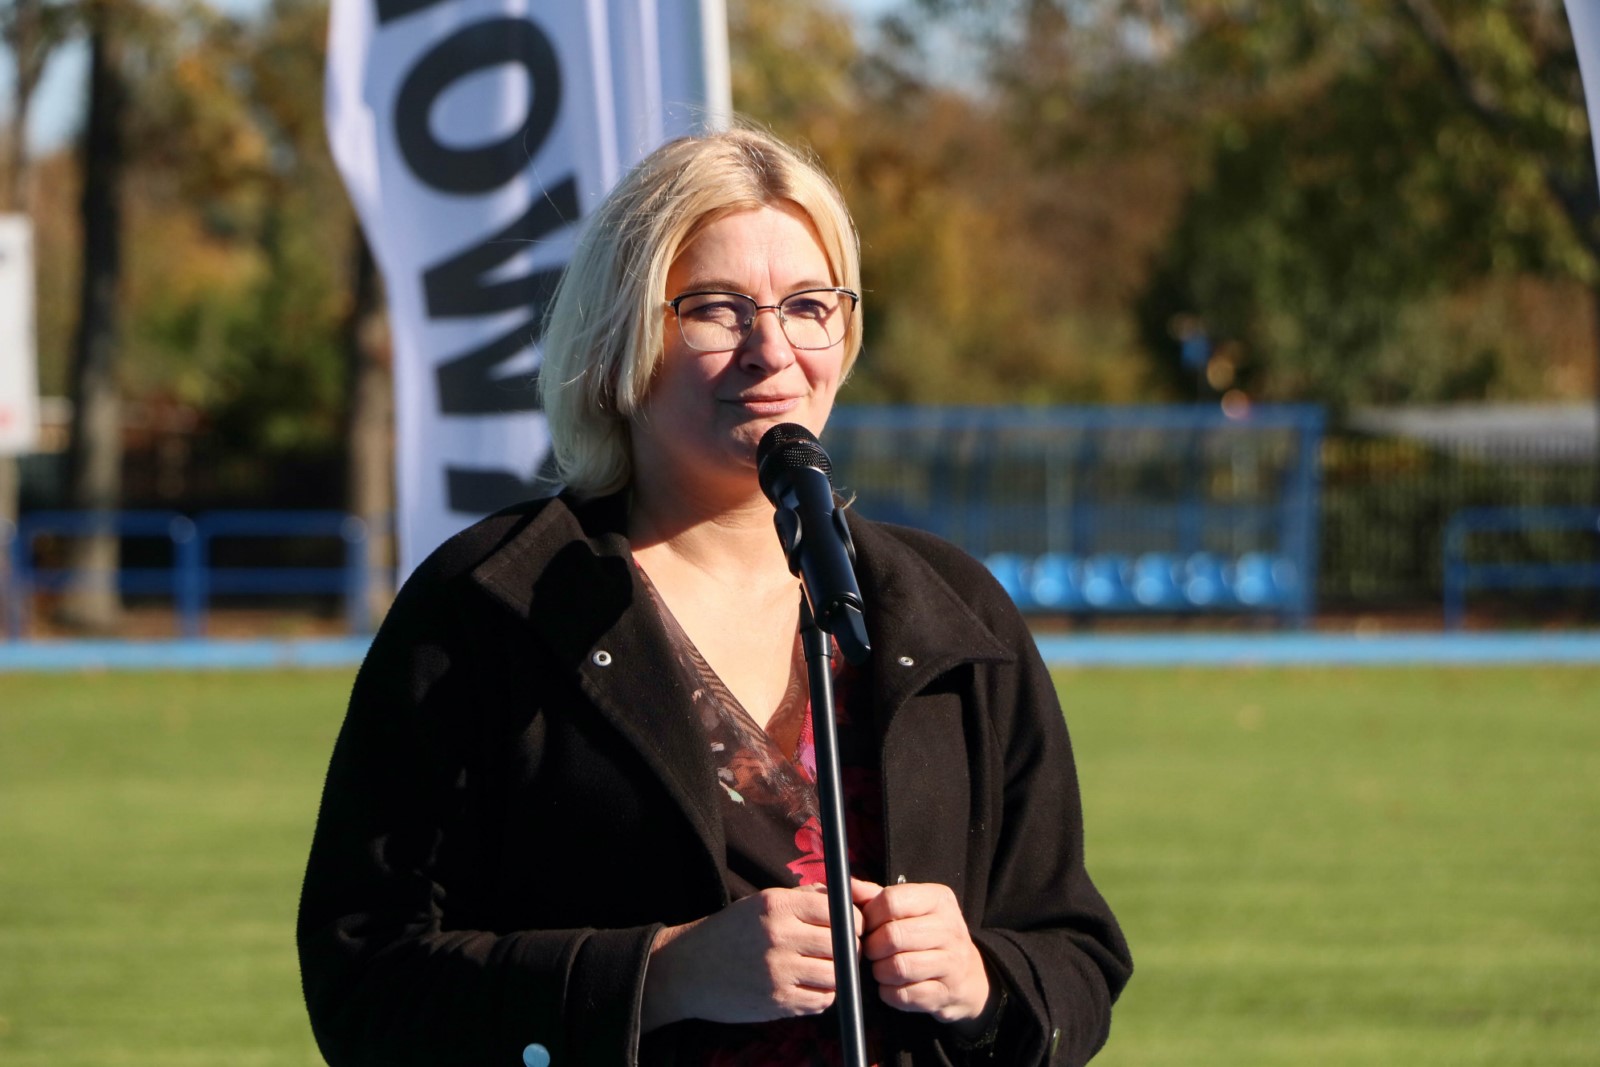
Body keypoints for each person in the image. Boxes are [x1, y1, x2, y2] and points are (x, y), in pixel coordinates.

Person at [297, 125, 1131, 1067]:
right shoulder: (490, 608)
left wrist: (984, 983)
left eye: (808, 305)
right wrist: (662, 974)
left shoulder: (952, 608)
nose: (771, 350)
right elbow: (365, 984)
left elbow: (1075, 953)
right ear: (624, 334)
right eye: (715, 310)